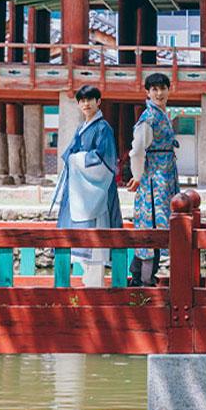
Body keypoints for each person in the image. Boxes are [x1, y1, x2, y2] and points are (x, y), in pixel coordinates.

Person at [50, 84, 122, 287]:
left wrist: (76, 160)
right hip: (80, 189)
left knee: (96, 236)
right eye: (82, 100)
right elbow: (70, 154)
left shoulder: (103, 128)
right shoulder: (81, 127)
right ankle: (88, 282)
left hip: (96, 189)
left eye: (90, 99)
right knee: (80, 236)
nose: (86, 104)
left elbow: (105, 160)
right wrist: (74, 160)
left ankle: (95, 286)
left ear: (98, 102)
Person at [127, 72, 179, 287]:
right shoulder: (149, 118)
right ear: (147, 92)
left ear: (169, 89)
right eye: (154, 89)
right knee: (152, 223)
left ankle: (144, 276)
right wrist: (137, 176)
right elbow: (138, 150)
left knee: (159, 222)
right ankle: (143, 278)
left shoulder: (162, 114)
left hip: (164, 176)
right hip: (153, 179)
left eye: (162, 88)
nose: (159, 93)